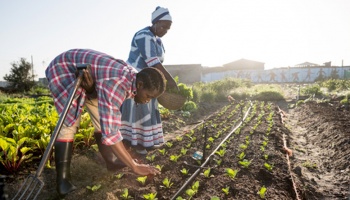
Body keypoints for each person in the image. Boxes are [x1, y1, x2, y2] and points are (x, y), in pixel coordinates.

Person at [45, 49, 163, 197]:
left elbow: (108, 122)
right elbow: (112, 133)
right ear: (139, 85)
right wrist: (134, 166)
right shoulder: (116, 84)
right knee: (69, 122)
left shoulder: (134, 77)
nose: (148, 101)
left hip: (93, 79)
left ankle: (111, 162)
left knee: (102, 119)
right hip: (63, 69)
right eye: (148, 96)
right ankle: (63, 182)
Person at [120, 6, 177, 154]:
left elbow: (158, 63)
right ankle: (136, 143)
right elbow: (153, 61)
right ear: (155, 22)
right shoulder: (144, 35)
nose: (165, 30)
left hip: (149, 79)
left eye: (168, 28)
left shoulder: (157, 40)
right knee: (138, 109)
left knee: (148, 108)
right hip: (136, 78)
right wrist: (169, 80)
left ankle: (147, 142)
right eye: (163, 26)